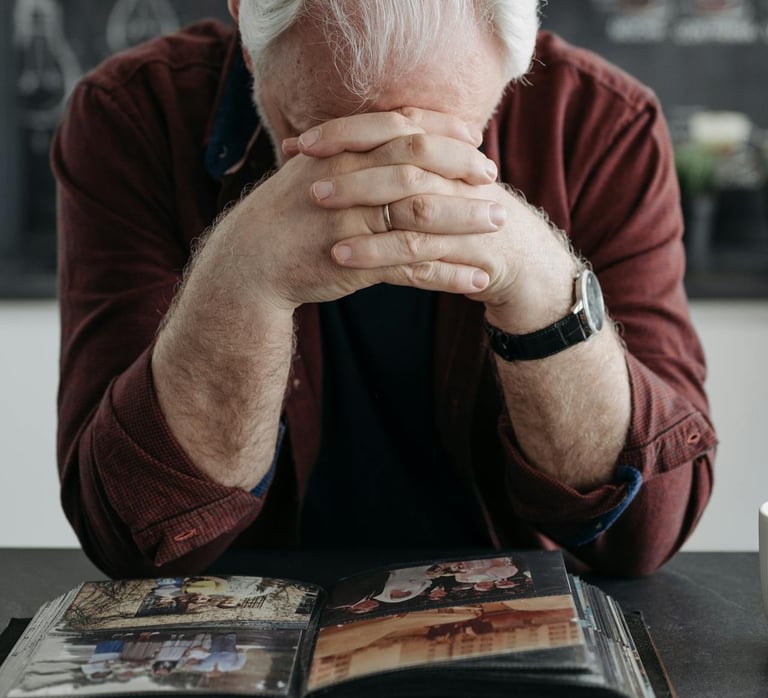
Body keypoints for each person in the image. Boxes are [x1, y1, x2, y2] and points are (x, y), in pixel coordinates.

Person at [53, 0, 716, 579]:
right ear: (248, 32)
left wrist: (540, 286)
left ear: (510, 68)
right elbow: (129, 532)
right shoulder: (131, 115)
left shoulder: (603, 124)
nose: (389, 182)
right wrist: (239, 278)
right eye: (329, 147)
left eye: (439, 145)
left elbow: (644, 530)